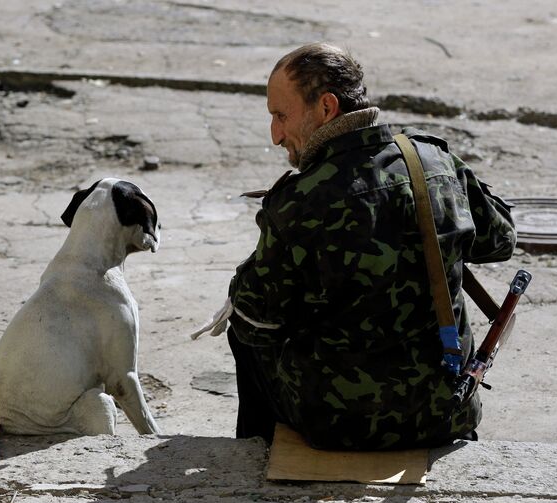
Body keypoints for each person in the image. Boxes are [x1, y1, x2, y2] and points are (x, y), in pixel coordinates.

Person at [198, 42, 517, 450]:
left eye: (281, 115)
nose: (276, 134)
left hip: (337, 425)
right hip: (446, 411)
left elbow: (254, 317)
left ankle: (257, 457)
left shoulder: (299, 202)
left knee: (242, 330)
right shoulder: (433, 162)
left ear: (327, 108)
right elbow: (500, 240)